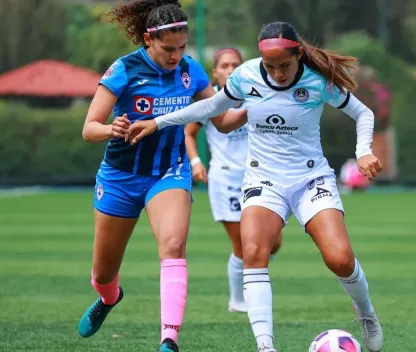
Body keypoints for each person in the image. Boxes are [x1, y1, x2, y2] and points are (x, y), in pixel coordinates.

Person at [128, 21, 384, 352]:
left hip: (311, 179)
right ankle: (266, 346)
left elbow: (363, 113)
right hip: (263, 179)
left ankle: (365, 312)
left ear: (299, 55)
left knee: (340, 259)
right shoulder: (246, 76)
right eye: (270, 66)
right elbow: (209, 108)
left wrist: (363, 151)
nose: (277, 74)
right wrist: (158, 122)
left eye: (285, 66)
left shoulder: (318, 81)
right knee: (253, 253)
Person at [77, 1, 244, 351]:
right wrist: (112, 128)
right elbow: (89, 129)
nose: (176, 56)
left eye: (182, 48)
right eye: (168, 49)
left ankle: (169, 339)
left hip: (169, 172)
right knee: (103, 274)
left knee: (173, 244)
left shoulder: (192, 71)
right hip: (120, 177)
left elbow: (224, 122)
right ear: (147, 39)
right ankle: (109, 298)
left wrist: (261, 103)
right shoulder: (123, 69)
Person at [185, 48, 282, 313]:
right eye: (224, 65)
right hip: (226, 178)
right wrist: (196, 162)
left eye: (235, 65)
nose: (229, 69)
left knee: (274, 242)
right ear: (214, 71)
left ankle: (252, 271)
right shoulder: (211, 100)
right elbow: (189, 132)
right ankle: (238, 300)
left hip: (260, 178)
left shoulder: (254, 92)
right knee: (243, 244)